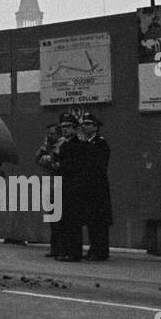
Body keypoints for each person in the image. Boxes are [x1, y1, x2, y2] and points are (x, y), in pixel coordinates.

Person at [50, 111, 87, 261]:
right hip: (65, 186)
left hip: (73, 187)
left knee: (72, 222)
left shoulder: (77, 145)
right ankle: (66, 251)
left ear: (74, 128)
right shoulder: (65, 144)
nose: (65, 129)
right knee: (65, 221)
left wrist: (59, 165)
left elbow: (73, 166)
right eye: (63, 126)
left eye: (68, 126)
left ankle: (73, 252)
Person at [80, 113, 113, 261]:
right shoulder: (86, 144)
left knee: (99, 221)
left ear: (95, 127)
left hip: (98, 188)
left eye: (87, 124)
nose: (84, 126)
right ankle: (95, 248)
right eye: (84, 123)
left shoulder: (100, 143)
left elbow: (98, 165)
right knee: (92, 221)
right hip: (89, 188)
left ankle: (101, 251)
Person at [34, 123, 62, 257]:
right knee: (53, 219)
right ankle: (55, 248)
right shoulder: (48, 146)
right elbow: (37, 158)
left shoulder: (62, 145)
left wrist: (46, 158)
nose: (49, 137)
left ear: (58, 134)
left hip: (58, 186)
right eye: (48, 134)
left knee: (59, 220)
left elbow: (54, 163)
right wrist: (45, 150)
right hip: (49, 186)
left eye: (52, 134)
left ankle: (60, 248)